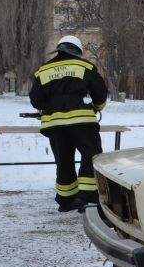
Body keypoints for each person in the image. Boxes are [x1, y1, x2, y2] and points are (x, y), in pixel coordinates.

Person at [29, 35, 109, 212]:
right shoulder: (85, 66)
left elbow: (36, 101)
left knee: (63, 161)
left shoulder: (42, 70)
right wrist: (96, 107)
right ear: (77, 50)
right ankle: (86, 198)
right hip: (82, 122)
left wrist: (51, 106)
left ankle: (66, 201)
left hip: (55, 125)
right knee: (92, 157)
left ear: (58, 49)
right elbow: (101, 94)